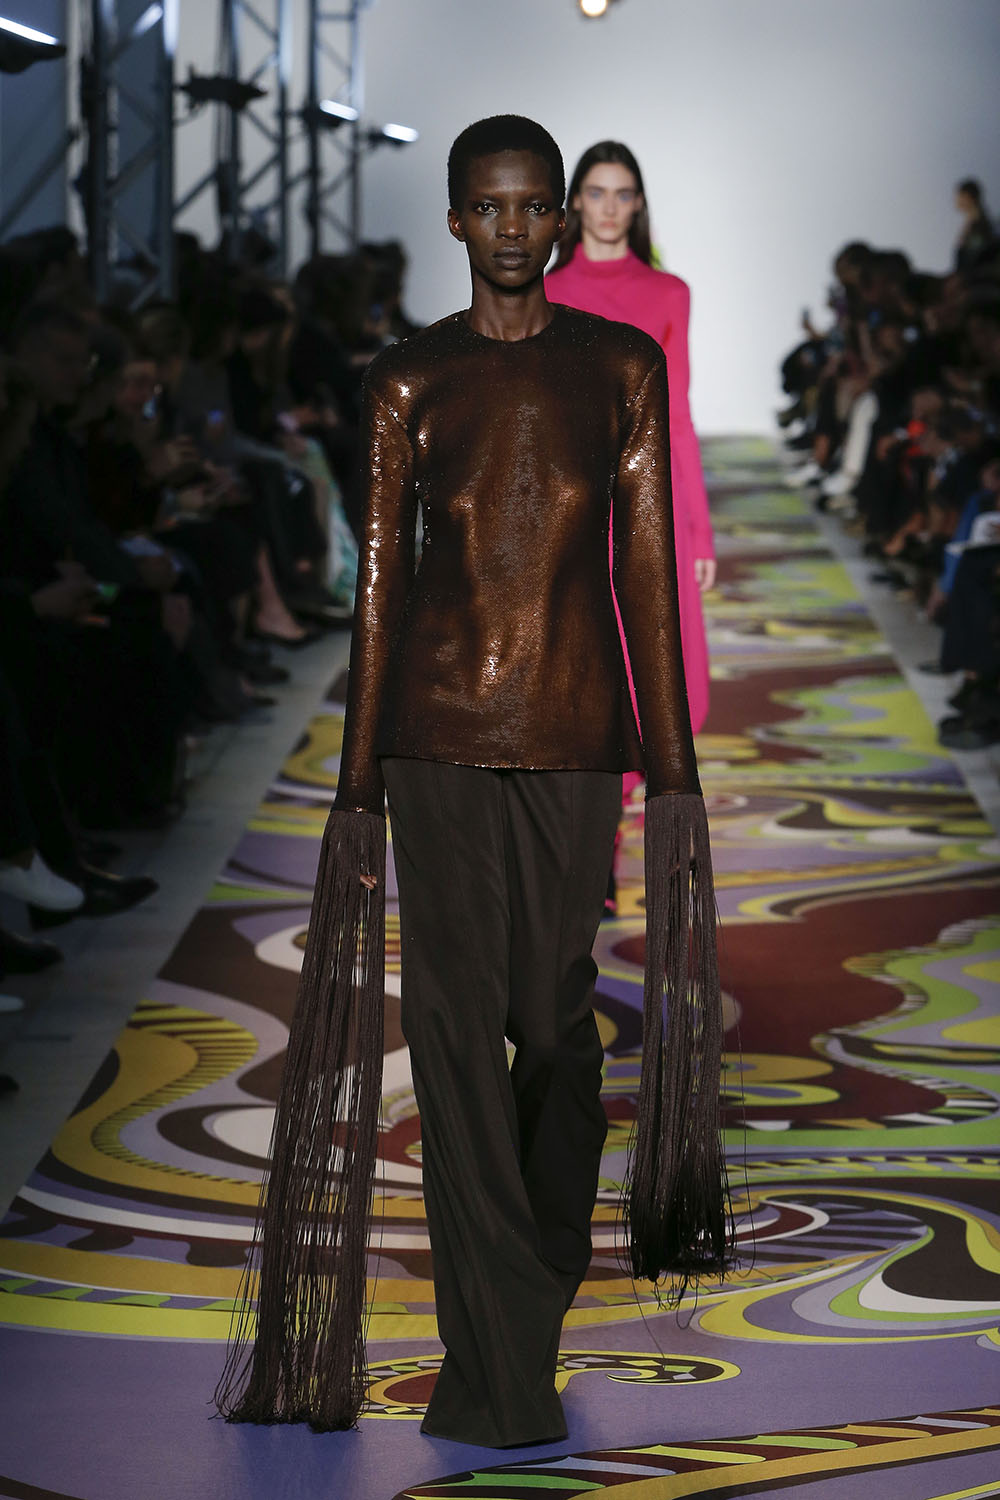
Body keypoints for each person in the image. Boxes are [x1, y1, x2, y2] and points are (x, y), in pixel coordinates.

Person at [216, 115, 731, 1449]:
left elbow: (642, 574)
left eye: (533, 205)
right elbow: (379, 589)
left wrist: (674, 773)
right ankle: (500, 1361)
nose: (513, 227)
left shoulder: (617, 365)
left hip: (575, 729)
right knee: (451, 1036)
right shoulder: (409, 377)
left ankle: (528, 1283)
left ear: (560, 218)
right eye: (489, 207)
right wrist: (356, 784)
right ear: (455, 218)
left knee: (554, 1029)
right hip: (436, 732)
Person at [546, 141, 715, 734]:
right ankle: (604, 785)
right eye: (597, 193)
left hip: (649, 491)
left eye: (622, 195)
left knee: (656, 645)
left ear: (639, 204)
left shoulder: (670, 294)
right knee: (584, 644)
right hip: (574, 495)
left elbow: (677, 416)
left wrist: (698, 530)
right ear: (575, 202)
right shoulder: (546, 294)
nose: (609, 207)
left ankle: (646, 773)